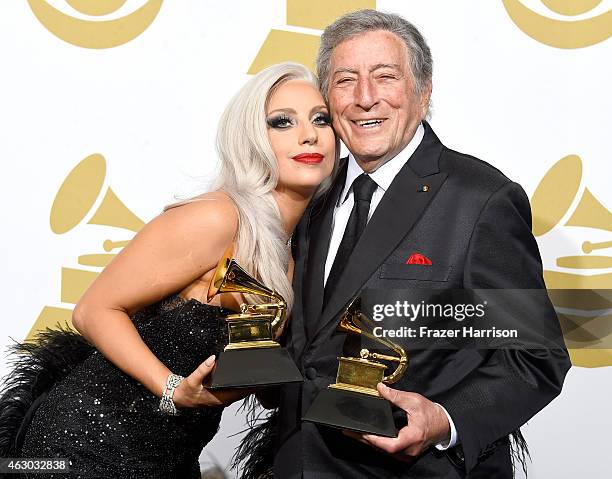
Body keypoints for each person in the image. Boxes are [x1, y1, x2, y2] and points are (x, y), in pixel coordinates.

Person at [272, 9, 572, 478]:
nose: (365, 98)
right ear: (328, 97)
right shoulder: (311, 192)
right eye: (345, 80)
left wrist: (445, 420)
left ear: (423, 89)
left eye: (385, 77)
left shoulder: (481, 199)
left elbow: (536, 357)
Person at [0, 62, 336, 478]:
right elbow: (93, 311)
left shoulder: (293, 255)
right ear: (250, 138)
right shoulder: (216, 218)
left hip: (171, 456)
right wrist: (171, 387)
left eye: (322, 119)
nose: (309, 134)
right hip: (87, 443)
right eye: (281, 122)